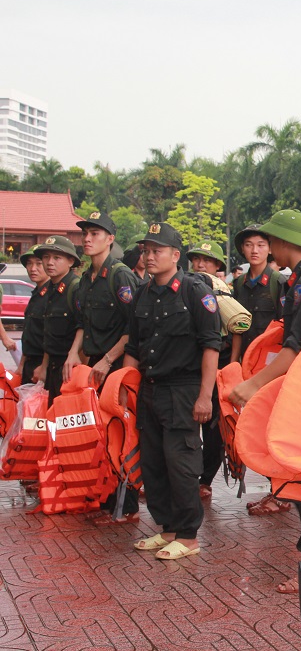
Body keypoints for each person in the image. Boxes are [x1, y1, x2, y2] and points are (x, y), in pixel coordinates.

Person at [227, 210, 301, 591]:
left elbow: (299, 350)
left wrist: (251, 385)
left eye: (271, 239)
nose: (267, 246)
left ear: (285, 241)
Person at [124, 222, 221, 561]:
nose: (149, 256)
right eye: (146, 250)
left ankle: (189, 535)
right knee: (153, 464)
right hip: (150, 389)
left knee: (181, 463)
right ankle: (166, 528)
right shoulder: (142, 293)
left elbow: (211, 346)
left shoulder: (195, 292)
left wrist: (205, 396)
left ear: (175, 256)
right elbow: (134, 347)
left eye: (156, 250)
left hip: (184, 389)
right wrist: (125, 386)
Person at [64, 212, 141, 525]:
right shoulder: (86, 279)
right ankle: (107, 499)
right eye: (85, 233)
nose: (87, 239)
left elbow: (134, 327)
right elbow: (82, 324)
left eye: (95, 233)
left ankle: (127, 506)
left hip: (116, 366)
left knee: (121, 433)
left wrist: (109, 359)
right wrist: (73, 354)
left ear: (111, 238)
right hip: (93, 367)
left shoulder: (120, 275)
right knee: (100, 434)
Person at [186, 240, 232, 501]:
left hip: (219, 367)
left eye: (207, 260)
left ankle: (205, 479)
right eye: (197, 259)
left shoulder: (225, 293)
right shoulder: (185, 289)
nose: (201, 264)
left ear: (217, 266)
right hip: (191, 366)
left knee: (214, 427)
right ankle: (188, 476)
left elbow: (237, 329)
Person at [35, 236, 81, 404]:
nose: (49, 262)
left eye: (56, 257)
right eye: (46, 257)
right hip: (53, 369)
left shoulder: (75, 288)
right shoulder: (50, 289)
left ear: (70, 261)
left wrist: (74, 356)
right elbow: (50, 335)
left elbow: (83, 327)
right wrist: (44, 366)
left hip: (70, 370)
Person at [231, 225, 285, 362]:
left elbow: (283, 328)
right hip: (244, 359)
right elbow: (237, 328)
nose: (254, 251)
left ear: (270, 248)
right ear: (243, 248)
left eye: (261, 245)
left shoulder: (279, 282)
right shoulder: (238, 284)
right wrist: (233, 363)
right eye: (249, 245)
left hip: (268, 361)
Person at [18, 245, 48, 383]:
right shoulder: (36, 294)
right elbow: (29, 334)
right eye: (29, 263)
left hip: (43, 365)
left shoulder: (53, 295)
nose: (33, 268)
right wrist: (21, 365)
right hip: (29, 364)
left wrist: (44, 366)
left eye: (38, 263)